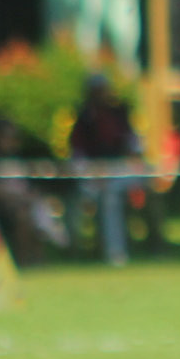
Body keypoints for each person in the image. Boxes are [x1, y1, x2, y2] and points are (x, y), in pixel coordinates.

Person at [68, 74, 140, 266]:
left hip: (119, 169)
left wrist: (132, 157)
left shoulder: (120, 112)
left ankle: (116, 252)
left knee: (111, 197)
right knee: (88, 199)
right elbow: (77, 153)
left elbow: (133, 143)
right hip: (93, 173)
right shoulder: (83, 118)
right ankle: (78, 251)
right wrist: (92, 173)